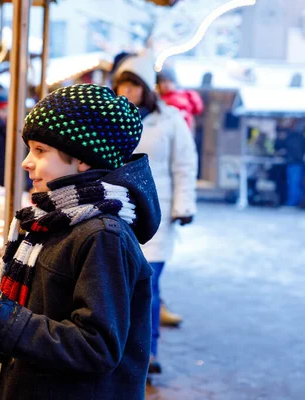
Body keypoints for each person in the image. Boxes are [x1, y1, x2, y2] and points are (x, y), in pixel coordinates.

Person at [0, 84, 161, 399]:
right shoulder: (57, 220)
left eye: (40, 150)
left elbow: (95, 347)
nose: (26, 162)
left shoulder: (102, 236)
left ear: (83, 159)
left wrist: (0, 310)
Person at [113, 54, 198, 373]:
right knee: (119, 282)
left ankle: (147, 352)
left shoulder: (171, 119)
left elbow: (185, 164)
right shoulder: (112, 118)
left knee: (148, 283)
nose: (127, 91)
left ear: (147, 88)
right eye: (123, 84)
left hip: (156, 212)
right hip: (118, 208)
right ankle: (121, 348)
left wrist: (184, 206)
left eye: (134, 85)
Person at [275, 120, 305, 207]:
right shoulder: (300, 137)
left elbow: (281, 147)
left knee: (294, 184)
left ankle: (293, 202)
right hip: (297, 163)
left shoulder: (292, 137)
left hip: (294, 163)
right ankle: (295, 202)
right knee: (296, 184)